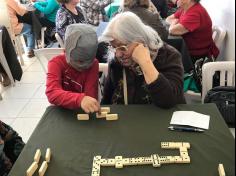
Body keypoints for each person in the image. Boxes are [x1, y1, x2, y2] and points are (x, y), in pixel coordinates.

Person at [100, 12, 185, 108]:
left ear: (141, 39)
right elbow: (106, 101)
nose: (118, 54)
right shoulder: (115, 62)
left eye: (123, 47)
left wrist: (146, 63)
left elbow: (169, 101)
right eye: (114, 47)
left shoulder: (169, 56)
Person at [46, 24, 100, 113]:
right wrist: (80, 99)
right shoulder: (56, 63)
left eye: (88, 61)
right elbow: (52, 93)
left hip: (82, 112)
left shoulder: (93, 64)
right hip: (61, 112)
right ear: (67, 51)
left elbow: (91, 96)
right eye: (79, 61)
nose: (84, 65)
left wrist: (86, 100)